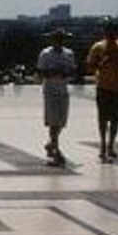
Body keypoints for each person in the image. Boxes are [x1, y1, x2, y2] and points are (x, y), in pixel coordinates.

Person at [86, 18, 118, 163]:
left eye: (113, 29)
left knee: (115, 119)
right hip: (103, 87)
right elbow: (90, 65)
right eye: (108, 30)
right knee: (102, 118)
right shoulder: (97, 47)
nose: (110, 32)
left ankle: (111, 145)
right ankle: (102, 144)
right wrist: (102, 63)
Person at [37, 29, 76, 166]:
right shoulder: (45, 54)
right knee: (53, 122)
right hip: (50, 91)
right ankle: (56, 150)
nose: (59, 41)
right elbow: (41, 72)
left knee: (60, 122)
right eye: (57, 39)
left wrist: (66, 74)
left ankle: (51, 143)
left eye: (61, 39)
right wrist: (53, 73)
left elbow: (72, 70)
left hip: (63, 91)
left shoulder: (69, 54)